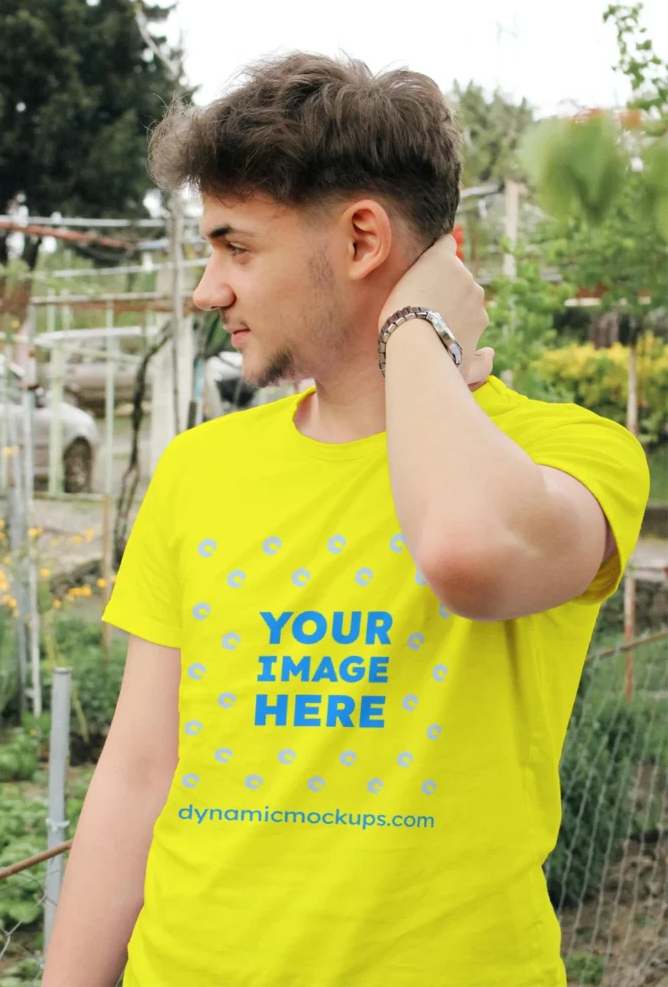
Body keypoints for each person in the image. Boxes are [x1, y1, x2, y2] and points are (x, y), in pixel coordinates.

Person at [42, 52, 650, 987]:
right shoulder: (202, 467)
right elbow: (136, 773)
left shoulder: (570, 454)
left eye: (237, 247)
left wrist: (413, 333)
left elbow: (462, 550)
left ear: (362, 240)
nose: (209, 291)